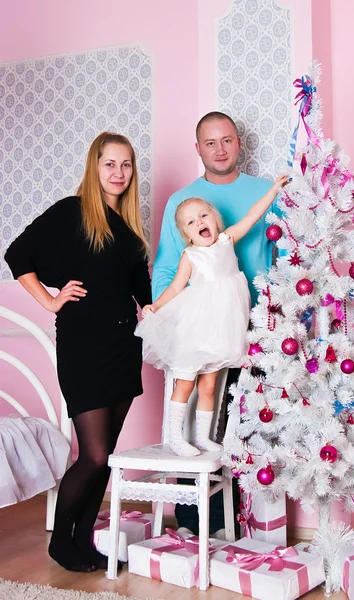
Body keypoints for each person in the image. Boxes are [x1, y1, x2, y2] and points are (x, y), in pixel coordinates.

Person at [5, 132, 151, 572]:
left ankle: (84, 541)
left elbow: (141, 292)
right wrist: (50, 299)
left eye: (126, 165)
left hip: (124, 348)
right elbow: (17, 254)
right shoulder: (72, 212)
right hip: (84, 348)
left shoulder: (129, 231)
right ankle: (60, 541)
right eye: (110, 164)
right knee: (92, 454)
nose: (118, 173)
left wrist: (156, 307)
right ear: (95, 166)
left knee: (105, 456)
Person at [151, 110, 286, 535]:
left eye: (227, 139)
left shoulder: (265, 193)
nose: (220, 149)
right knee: (198, 407)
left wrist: (281, 315)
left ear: (238, 143)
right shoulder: (181, 202)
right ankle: (198, 523)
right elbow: (169, 268)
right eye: (210, 142)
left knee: (254, 422)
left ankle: (254, 524)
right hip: (203, 326)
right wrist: (166, 317)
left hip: (258, 324)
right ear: (198, 149)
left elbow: (286, 254)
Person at [136, 178, 287, 457]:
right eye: (191, 222)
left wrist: (274, 190)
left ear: (215, 221)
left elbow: (254, 216)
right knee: (185, 383)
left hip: (221, 329)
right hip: (196, 327)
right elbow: (175, 287)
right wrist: (155, 306)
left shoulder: (226, 240)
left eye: (203, 216)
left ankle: (204, 438)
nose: (199, 222)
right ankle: (176, 437)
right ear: (186, 235)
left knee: (209, 385)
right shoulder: (190, 256)